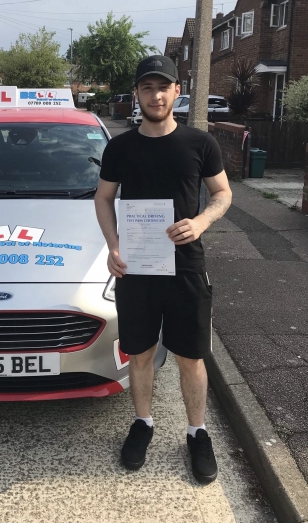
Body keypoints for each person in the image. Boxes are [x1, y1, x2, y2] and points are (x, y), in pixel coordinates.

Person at [94, 55, 232, 485]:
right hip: (136, 269)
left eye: (164, 87)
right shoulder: (120, 147)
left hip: (186, 269)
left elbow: (223, 194)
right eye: (147, 87)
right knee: (141, 353)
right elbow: (102, 199)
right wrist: (113, 246)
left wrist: (201, 221)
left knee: (191, 356)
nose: (156, 95)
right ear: (137, 94)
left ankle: (197, 432)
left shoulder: (200, 143)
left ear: (177, 91)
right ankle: (143, 423)